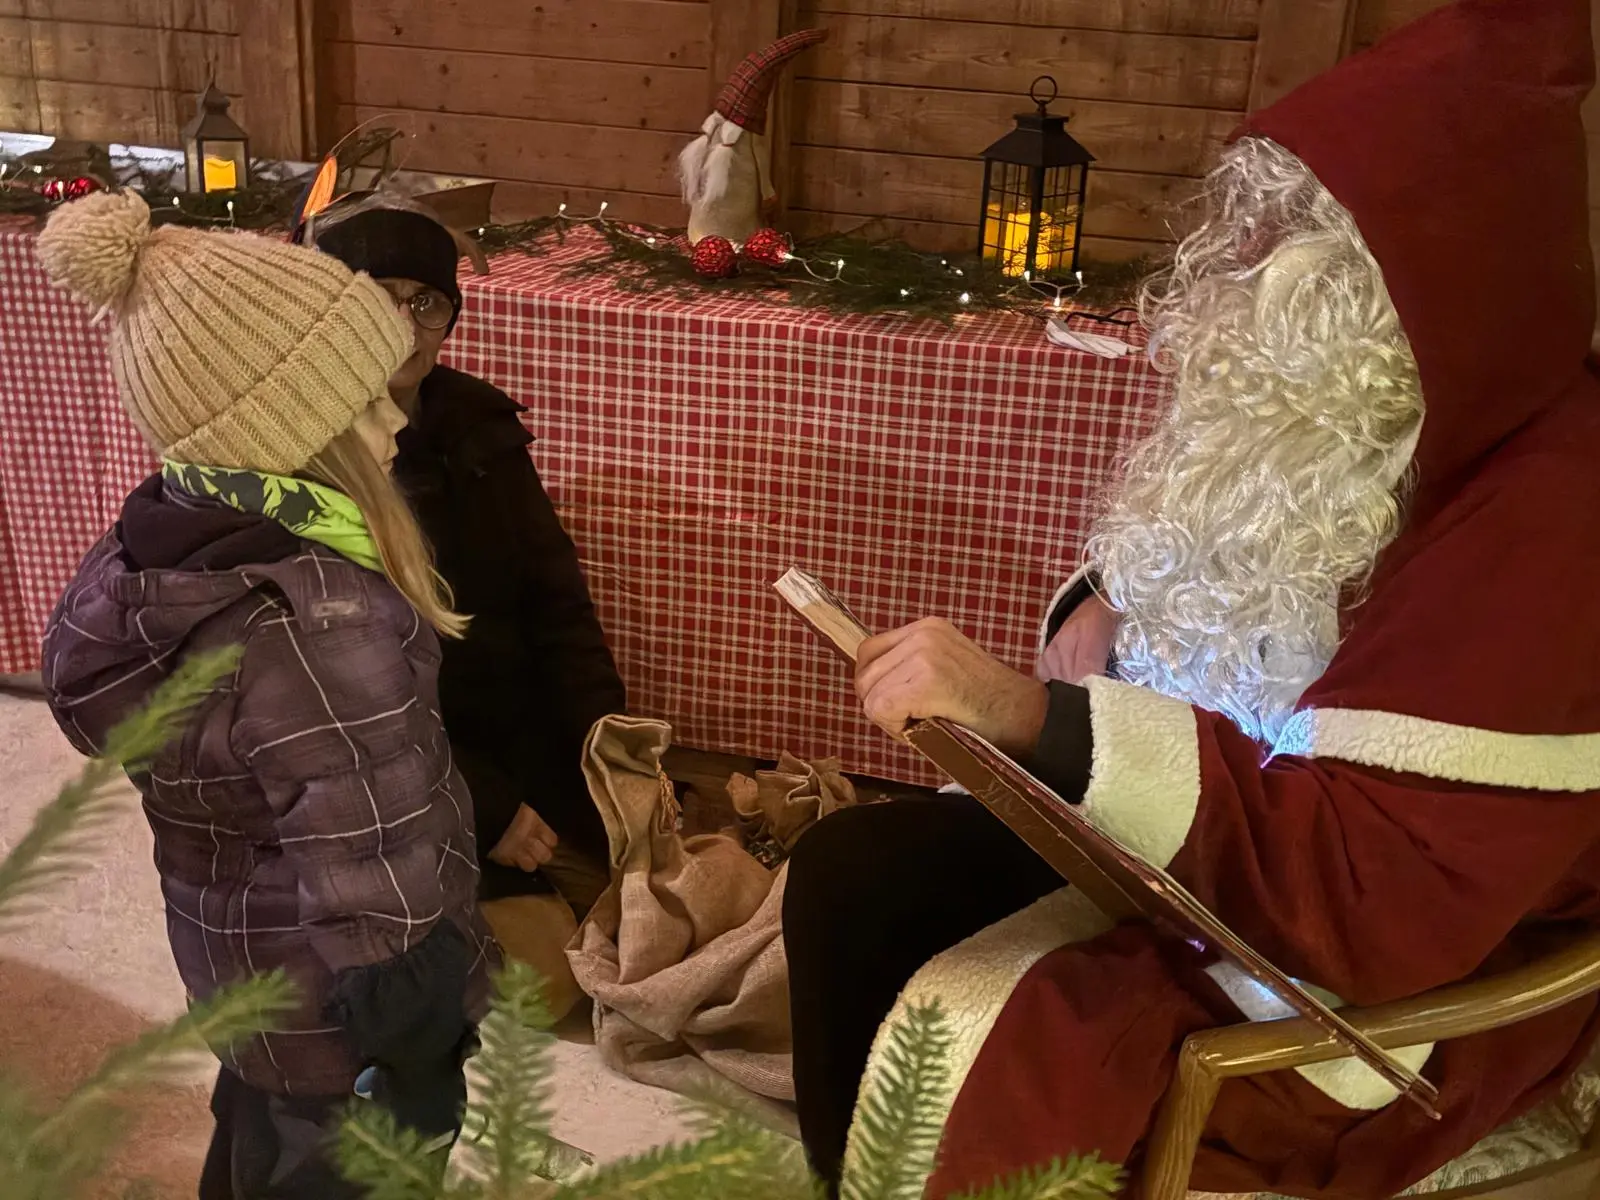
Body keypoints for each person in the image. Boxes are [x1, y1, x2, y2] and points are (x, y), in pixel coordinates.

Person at [783, 0, 1600, 1195]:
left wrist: (1035, 719)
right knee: (856, 874)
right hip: (1213, 852)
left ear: (1429, 275)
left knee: (1002, 1038)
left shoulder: (1551, 519)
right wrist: (1103, 617)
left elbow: (1373, 906)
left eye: (1295, 236)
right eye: (1252, 223)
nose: (1242, 270)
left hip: (1362, 981)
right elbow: (1223, 549)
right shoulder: (1383, 403)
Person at [36, 190, 497, 1198]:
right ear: (290, 436)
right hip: (352, 1020)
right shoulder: (321, 623)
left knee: (264, 1131)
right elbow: (373, 861)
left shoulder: (171, 548)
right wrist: (417, 1044)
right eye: (364, 400)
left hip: (252, 975)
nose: (395, 417)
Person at [301, 196, 626, 1007]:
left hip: (514, 731)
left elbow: (558, 601)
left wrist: (607, 744)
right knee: (556, 989)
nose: (406, 324)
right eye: (379, 298)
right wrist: (482, 806)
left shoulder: (480, 425)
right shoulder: (308, 458)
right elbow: (347, 691)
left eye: (427, 303)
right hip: (396, 779)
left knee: (664, 905)